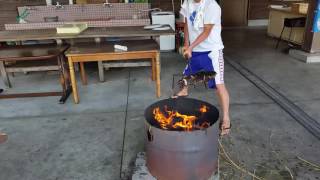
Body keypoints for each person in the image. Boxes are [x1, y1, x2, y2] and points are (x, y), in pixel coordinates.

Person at [175, 0, 231, 135]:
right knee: (186, 76)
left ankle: (226, 119)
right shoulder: (188, 3)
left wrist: (191, 47)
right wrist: (187, 44)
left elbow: (206, 32)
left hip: (212, 51)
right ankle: (184, 91)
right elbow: (187, 23)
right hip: (196, 48)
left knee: (219, 85)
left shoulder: (212, 6)